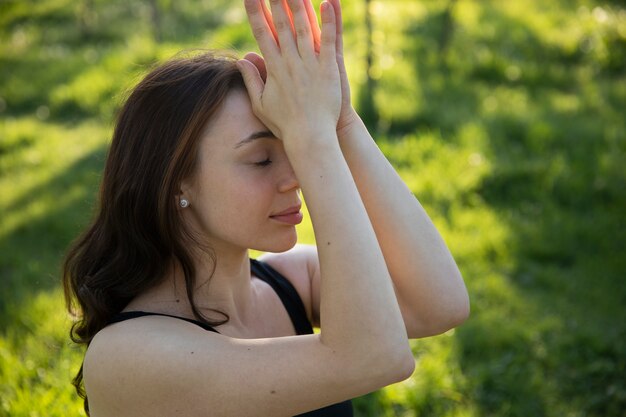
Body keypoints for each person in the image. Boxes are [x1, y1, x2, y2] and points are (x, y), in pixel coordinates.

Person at [62, 0, 469, 415]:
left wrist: (341, 121)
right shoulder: (127, 356)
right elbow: (377, 357)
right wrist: (313, 139)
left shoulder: (290, 280)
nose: (296, 176)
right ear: (172, 184)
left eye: (290, 148)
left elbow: (440, 304)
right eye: (261, 159)